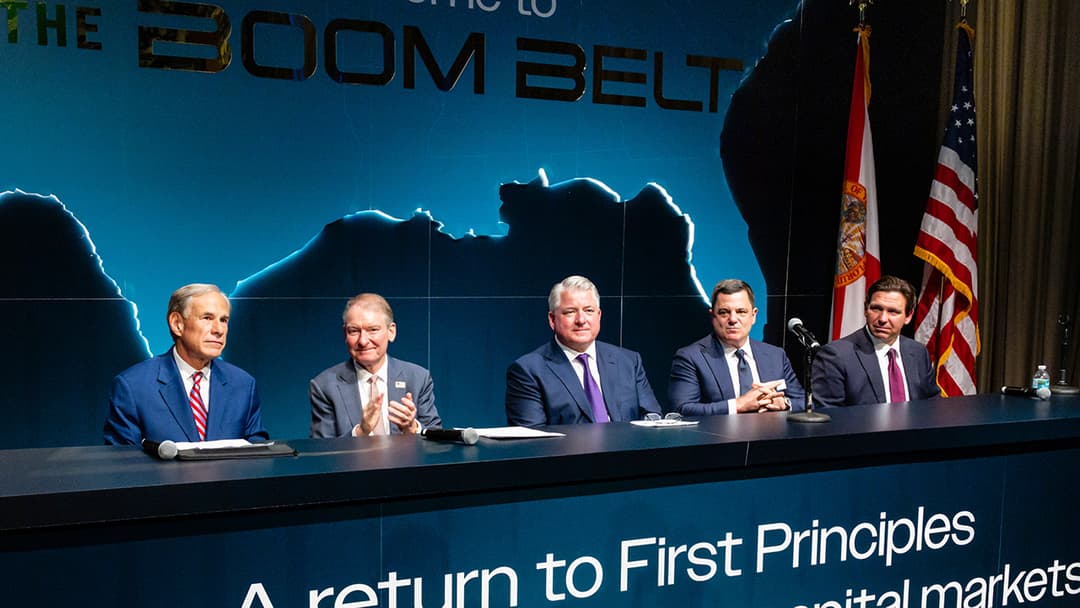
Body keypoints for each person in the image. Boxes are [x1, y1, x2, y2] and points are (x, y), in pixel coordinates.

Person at [104, 284, 268, 445]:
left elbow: (258, 452)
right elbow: (124, 459)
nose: (219, 330)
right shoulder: (133, 386)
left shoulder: (243, 385)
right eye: (207, 318)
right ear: (177, 324)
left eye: (224, 320)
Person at [505, 275, 661, 427]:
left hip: (629, 445)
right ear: (552, 320)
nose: (581, 320)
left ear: (599, 316)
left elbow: (652, 420)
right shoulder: (529, 371)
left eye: (589, 310)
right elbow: (533, 437)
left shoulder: (628, 361)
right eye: (570, 312)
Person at [310, 293, 442, 438]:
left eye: (373, 330)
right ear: (345, 334)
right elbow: (322, 448)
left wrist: (413, 428)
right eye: (354, 331)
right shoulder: (325, 386)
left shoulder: (417, 378)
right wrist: (360, 432)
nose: (363, 341)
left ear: (391, 332)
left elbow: (436, 440)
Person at [669, 279, 805, 415]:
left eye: (741, 311)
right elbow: (682, 409)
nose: (733, 319)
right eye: (724, 312)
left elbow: (804, 401)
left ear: (753, 316)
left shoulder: (776, 356)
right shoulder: (691, 357)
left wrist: (784, 403)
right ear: (712, 316)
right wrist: (738, 405)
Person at [812, 275, 939, 407]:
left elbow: (932, 404)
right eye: (876, 309)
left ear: (908, 316)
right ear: (865, 309)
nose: (882, 319)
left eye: (893, 312)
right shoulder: (836, 356)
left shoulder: (918, 352)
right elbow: (828, 413)